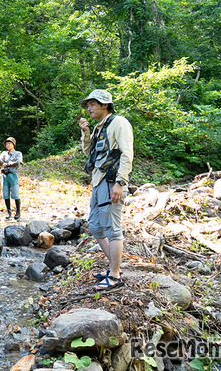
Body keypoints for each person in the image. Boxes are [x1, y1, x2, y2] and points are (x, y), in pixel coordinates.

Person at [79, 88, 133, 291]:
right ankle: (113, 268)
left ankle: (115, 275)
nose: (89, 108)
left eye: (92, 104)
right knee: (95, 226)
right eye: (88, 105)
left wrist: (120, 182)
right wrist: (86, 133)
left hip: (112, 182)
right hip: (98, 182)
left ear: (105, 105)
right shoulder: (98, 128)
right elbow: (90, 154)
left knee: (113, 229)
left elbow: (127, 154)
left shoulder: (119, 122)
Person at [0, 136, 24, 219]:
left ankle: (18, 212)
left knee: (15, 193)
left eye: (9, 143)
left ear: (13, 144)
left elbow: (18, 163)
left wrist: (7, 164)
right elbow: (0, 163)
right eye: (6, 144)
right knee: (5, 194)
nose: (8, 145)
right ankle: (8, 212)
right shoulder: (4, 153)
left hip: (13, 175)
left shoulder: (18, 153)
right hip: (5, 175)